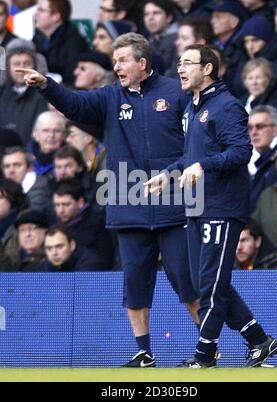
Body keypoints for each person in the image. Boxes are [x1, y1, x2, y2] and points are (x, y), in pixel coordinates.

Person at [17, 32, 200, 368]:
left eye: (122, 60)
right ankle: (144, 352)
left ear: (142, 63)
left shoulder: (176, 92)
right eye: (114, 60)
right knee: (134, 279)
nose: (116, 66)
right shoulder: (110, 97)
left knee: (184, 277)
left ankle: (206, 347)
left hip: (176, 201)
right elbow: (74, 104)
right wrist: (46, 85)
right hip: (128, 204)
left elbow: (198, 140)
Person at [145, 44, 277, 368]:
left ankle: (204, 355)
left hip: (222, 206)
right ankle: (260, 341)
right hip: (197, 206)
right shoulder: (192, 108)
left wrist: (203, 166)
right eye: (178, 63)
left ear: (207, 68)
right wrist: (169, 174)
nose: (180, 69)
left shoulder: (226, 106)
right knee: (206, 281)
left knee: (210, 284)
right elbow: (191, 158)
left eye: (187, 63)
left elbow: (240, 152)